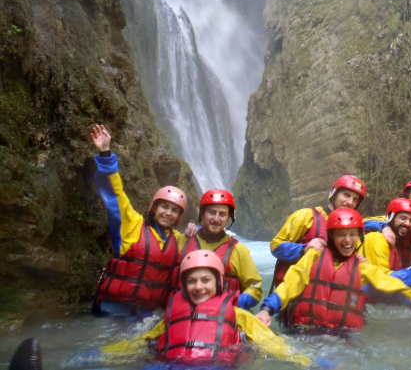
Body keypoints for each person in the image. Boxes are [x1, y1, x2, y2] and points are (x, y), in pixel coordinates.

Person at [100, 250, 310, 366]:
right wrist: (101, 354)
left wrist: (307, 361)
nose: (198, 287)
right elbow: (142, 341)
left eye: (205, 280)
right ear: (183, 285)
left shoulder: (238, 315)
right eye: (191, 281)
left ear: (219, 283)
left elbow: (271, 343)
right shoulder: (172, 315)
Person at [256, 208, 411, 330]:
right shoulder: (314, 256)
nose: (347, 241)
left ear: (359, 237)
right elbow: (290, 285)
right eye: (341, 235)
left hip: (341, 335)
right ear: (331, 236)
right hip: (305, 331)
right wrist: (266, 310)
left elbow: (388, 285)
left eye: (352, 235)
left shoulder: (361, 266)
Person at [90, 124, 187, 318]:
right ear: (154, 208)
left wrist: (195, 228)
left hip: (147, 314)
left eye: (174, 210)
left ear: (179, 218)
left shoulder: (179, 239)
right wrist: (105, 152)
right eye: (164, 207)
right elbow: (115, 192)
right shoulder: (132, 223)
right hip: (113, 308)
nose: (168, 213)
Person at [269, 175, 366, 291]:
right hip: (295, 294)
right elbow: (276, 246)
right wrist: (303, 250)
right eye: (346, 195)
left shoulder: (354, 229)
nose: (350, 202)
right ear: (334, 194)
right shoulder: (306, 216)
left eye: (355, 199)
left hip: (328, 294)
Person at [170, 189, 262, 310]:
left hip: (222, 317)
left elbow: (255, 286)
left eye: (222, 214)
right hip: (182, 312)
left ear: (229, 217)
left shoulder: (239, 250)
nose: (216, 219)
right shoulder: (181, 240)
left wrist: (235, 304)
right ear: (202, 214)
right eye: (212, 212)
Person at [360, 198, 411, 287]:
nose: (408, 224)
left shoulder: (395, 240)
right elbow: (380, 281)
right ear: (391, 217)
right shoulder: (377, 239)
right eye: (403, 218)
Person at [364, 180, 411, 266]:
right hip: (404, 271)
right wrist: (384, 226)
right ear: (406, 199)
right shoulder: (395, 218)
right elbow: (363, 223)